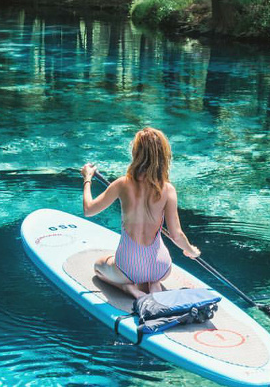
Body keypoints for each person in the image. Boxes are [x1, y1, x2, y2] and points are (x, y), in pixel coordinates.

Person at [81, 127, 201, 299]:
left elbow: (89, 210)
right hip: (161, 267)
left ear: (136, 153)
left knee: (99, 267)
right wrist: (191, 250)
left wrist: (87, 179)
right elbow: (177, 234)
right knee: (152, 270)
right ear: (162, 156)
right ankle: (154, 284)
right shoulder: (168, 189)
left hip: (129, 269)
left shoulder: (122, 184)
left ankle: (128, 289)